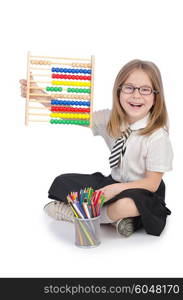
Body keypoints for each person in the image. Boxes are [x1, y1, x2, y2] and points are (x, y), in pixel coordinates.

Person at [20, 59, 173, 237]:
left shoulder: (157, 136)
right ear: (118, 91)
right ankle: (120, 219)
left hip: (143, 192)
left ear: (156, 96)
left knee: (129, 205)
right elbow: (73, 115)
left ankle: (77, 216)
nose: (136, 95)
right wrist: (40, 95)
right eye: (129, 87)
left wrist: (115, 190)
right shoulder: (110, 119)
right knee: (62, 182)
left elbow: (151, 184)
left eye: (145, 89)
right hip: (113, 182)